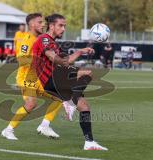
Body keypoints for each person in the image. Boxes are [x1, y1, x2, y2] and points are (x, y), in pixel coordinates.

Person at [32, 13, 108, 150]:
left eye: (65, 26)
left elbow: (65, 61)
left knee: (84, 105)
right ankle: (69, 102)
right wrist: (69, 66)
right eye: (60, 26)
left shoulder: (53, 43)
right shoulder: (44, 39)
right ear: (51, 25)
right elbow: (53, 58)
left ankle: (89, 142)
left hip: (58, 77)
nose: (63, 29)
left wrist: (80, 52)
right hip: (52, 80)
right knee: (86, 75)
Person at [1, 13, 64, 140]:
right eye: (40, 22)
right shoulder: (27, 39)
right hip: (26, 77)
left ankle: (45, 125)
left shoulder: (42, 39)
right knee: (31, 104)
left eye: (43, 22)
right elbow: (21, 60)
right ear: (32, 24)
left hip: (38, 77)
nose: (43, 24)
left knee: (59, 98)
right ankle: (8, 130)